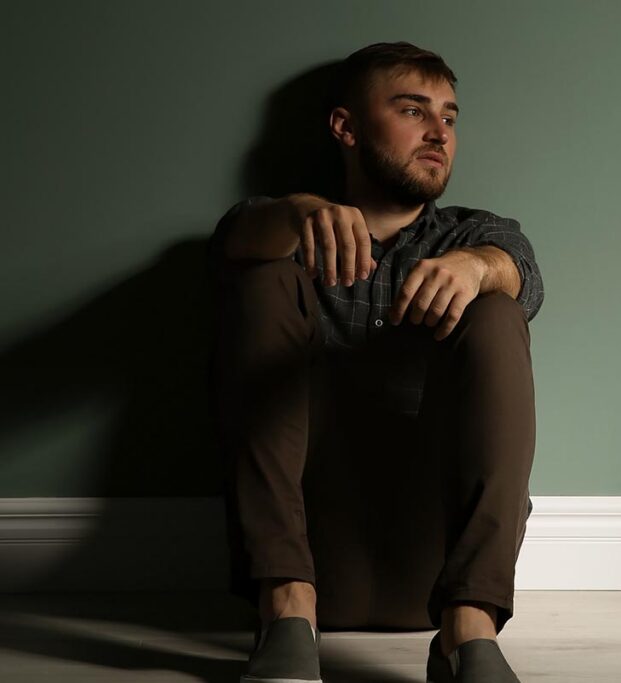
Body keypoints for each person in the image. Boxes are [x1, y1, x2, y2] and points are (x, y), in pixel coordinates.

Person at [206, 41, 543, 683]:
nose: (438, 131)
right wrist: (299, 214)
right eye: (413, 110)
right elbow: (236, 242)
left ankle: (467, 634)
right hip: (305, 554)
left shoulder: (477, 231)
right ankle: (284, 614)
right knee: (260, 278)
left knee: (497, 304)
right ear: (346, 127)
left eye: (449, 116)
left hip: (433, 562)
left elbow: (523, 272)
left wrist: (477, 267)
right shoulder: (276, 225)